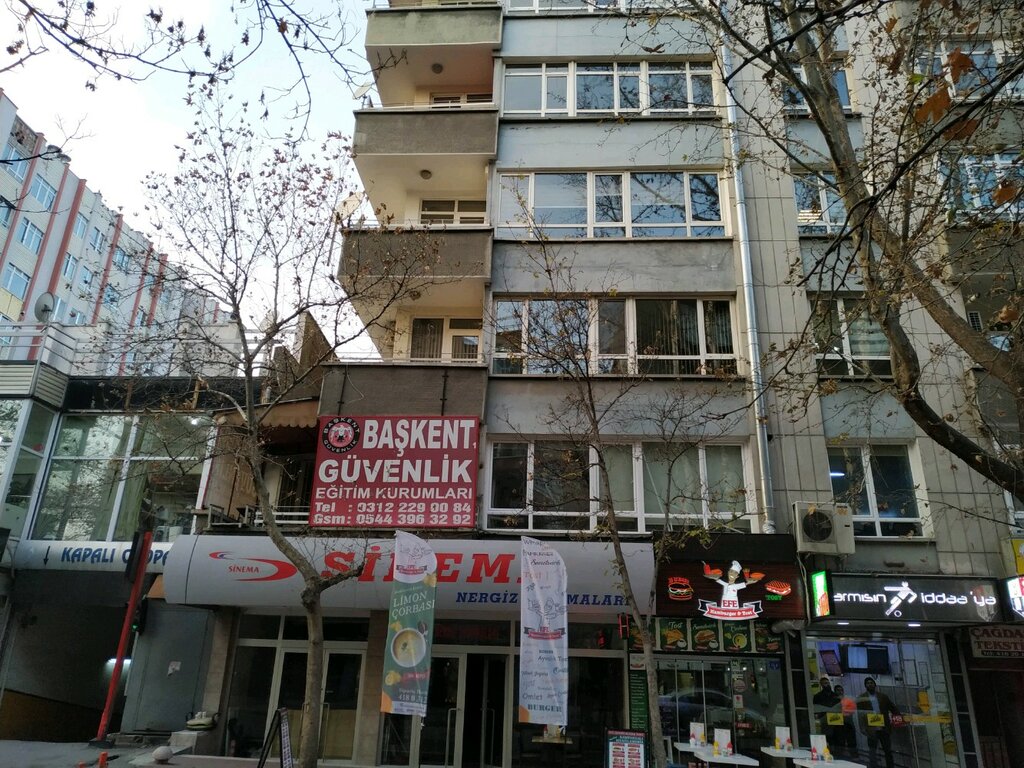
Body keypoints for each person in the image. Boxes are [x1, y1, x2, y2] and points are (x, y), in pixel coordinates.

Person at [857, 677, 900, 768]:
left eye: (871, 683)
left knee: (887, 750)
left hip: (884, 728)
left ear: (875, 684)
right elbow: (860, 714)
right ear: (865, 686)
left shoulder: (883, 696)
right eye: (868, 683)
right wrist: (862, 728)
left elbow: (892, 708)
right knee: (872, 751)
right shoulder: (861, 698)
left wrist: (898, 719)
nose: (870, 684)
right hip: (871, 728)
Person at [833, 684, 858, 757]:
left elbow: (852, 711)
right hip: (838, 724)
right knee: (840, 742)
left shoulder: (847, 700)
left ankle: (854, 757)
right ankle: (840, 757)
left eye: (841, 690)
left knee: (852, 742)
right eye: (838, 690)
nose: (840, 692)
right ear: (835, 691)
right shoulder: (833, 701)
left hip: (848, 723)